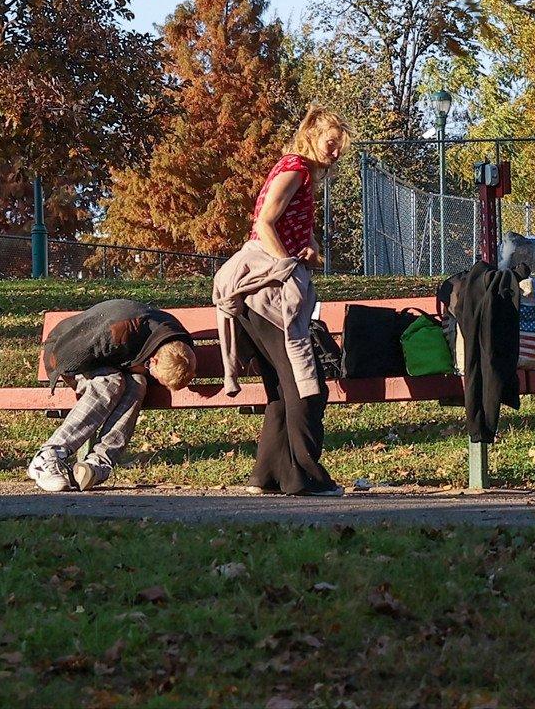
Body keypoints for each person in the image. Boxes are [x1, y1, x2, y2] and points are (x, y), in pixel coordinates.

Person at [213, 107, 352, 496]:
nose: (335, 152)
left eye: (339, 146)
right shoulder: (297, 169)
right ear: (311, 136)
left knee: (279, 389)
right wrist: (286, 266)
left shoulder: (294, 170)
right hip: (267, 293)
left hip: (254, 293)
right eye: (331, 143)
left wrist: (308, 246)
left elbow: (282, 225)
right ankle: (304, 477)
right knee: (307, 386)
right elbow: (264, 224)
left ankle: (267, 476)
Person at [27, 299, 197, 492]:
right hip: (67, 350)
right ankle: (47, 457)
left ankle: (96, 465)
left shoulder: (179, 344)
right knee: (112, 382)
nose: (150, 374)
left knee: (138, 384)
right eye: (151, 370)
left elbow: (138, 366)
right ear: (154, 359)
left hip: (110, 360)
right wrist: (81, 386)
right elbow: (65, 360)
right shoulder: (118, 331)